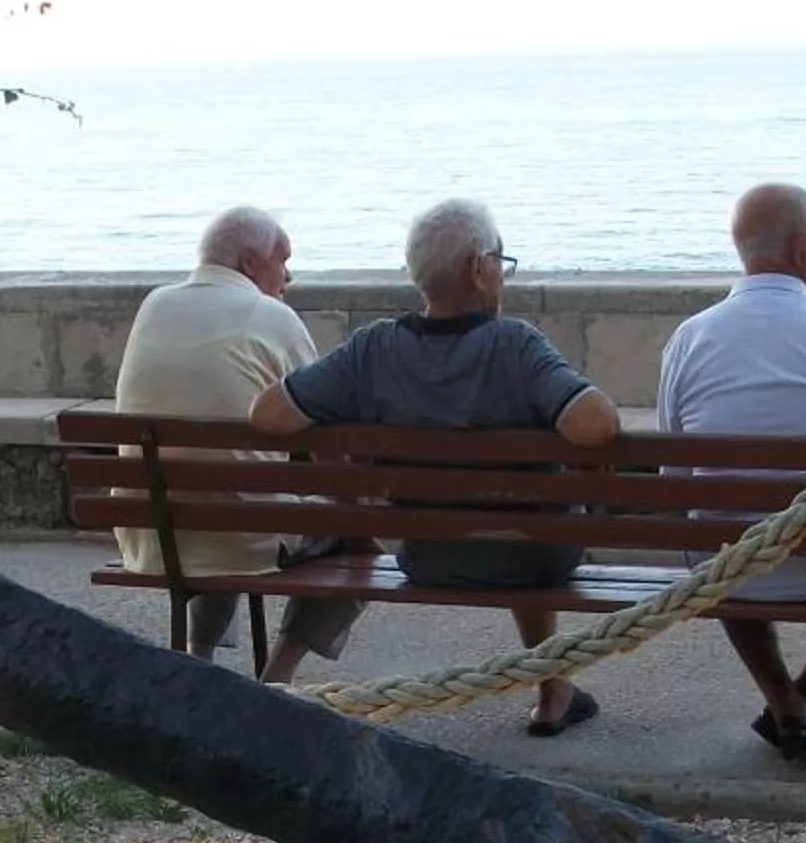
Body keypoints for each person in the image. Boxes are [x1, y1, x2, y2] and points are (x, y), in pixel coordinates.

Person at [252, 198, 618, 736]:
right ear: (479, 269)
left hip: (427, 556)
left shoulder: (373, 349)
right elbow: (597, 425)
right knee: (531, 518)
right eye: (501, 261)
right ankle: (550, 690)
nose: (503, 273)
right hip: (534, 559)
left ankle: (554, 687)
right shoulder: (515, 345)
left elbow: (268, 414)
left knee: (510, 518)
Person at [655, 182, 806, 761]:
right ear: (801, 248)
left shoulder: (690, 338)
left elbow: (673, 471)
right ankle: (799, 700)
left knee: (719, 541)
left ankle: (786, 703)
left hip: (728, 566)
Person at [110, 206, 359, 683]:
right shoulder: (273, 316)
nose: (289, 276)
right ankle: (276, 678)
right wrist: (356, 506)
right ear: (249, 263)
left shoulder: (154, 304)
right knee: (351, 529)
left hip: (152, 534)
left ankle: (199, 661)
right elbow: (322, 428)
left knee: (222, 501)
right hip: (238, 537)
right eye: (283, 260)